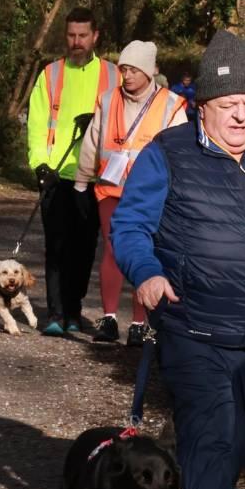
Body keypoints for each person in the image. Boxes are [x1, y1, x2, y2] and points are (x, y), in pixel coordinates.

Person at [112, 29, 245, 489]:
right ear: (204, 105)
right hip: (196, 332)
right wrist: (146, 273)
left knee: (234, 450)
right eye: (230, 103)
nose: (241, 114)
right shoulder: (167, 153)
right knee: (210, 453)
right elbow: (129, 226)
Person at [73, 40, 187, 346]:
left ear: (149, 71)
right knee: (112, 251)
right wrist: (82, 179)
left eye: (134, 70)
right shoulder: (108, 100)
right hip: (112, 189)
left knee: (145, 253)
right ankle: (108, 319)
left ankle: (140, 323)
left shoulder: (172, 104)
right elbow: (92, 141)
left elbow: (181, 152)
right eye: (124, 69)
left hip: (151, 194)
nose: (127, 75)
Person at [27, 7, 119, 336]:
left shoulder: (113, 75)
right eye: (71, 35)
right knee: (57, 245)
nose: (76, 42)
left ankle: (74, 310)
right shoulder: (51, 74)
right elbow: (37, 124)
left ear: (95, 37)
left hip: (94, 177)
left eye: (83, 35)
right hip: (56, 173)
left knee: (84, 248)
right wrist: (39, 163)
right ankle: (55, 313)